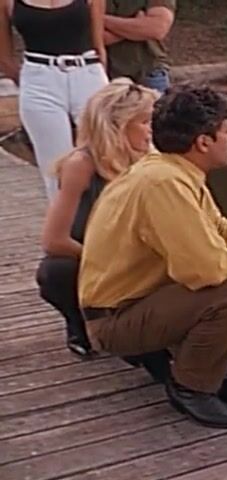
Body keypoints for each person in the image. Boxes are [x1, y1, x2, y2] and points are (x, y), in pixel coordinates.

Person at [77, 86, 227, 429]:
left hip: (133, 302)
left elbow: (221, 230)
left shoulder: (171, 171)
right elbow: (205, 270)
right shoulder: (165, 184)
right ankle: (191, 386)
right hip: (113, 320)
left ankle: (171, 352)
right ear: (203, 142)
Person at [36, 79, 158, 357]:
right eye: (144, 122)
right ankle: (78, 322)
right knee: (55, 271)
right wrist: (103, 259)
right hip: (90, 256)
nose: (151, 129)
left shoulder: (151, 158)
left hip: (137, 255)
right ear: (118, 125)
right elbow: (53, 240)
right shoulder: (81, 164)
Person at [0, 0, 109, 199]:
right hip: (39, 76)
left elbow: (99, 45)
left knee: (106, 155)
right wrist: (29, 81)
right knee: (55, 167)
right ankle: (62, 218)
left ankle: (107, 215)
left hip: (86, 69)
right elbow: (5, 56)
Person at [103, 0, 175, 92]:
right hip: (102, 75)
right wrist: (135, 26)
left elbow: (156, 28)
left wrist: (99, 19)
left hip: (147, 73)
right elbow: (91, 38)